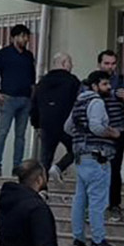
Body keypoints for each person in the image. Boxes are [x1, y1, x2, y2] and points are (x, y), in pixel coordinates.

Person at [65, 70, 122, 246]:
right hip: (97, 157)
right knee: (98, 201)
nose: (109, 87)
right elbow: (96, 127)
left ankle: (78, 239)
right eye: (105, 84)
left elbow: (68, 127)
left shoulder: (79, 101)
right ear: (95, 86)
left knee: (80, 201)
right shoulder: (97, 102)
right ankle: (98, 240)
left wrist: (82, 136)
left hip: (81, 158)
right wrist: (112, 133)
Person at [0, 25, 36, 177]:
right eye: (22, 36)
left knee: (20, 136)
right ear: (13, 38)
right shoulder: (4, 54)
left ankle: (17, 166)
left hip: (25, 99)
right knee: (3, 132)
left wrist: (32, 98)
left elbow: (32, 79)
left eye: (26, 36)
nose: (25, 39)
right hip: (8, 98)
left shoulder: (28, 56)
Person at [96, 50, 124, 221]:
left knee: (114, 169)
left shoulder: (122, 83)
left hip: (117, 132)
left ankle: (114, 205)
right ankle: (95, 206)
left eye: (113, 63)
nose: (110, 67)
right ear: (99, 64)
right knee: (95, 170)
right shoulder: (91, 82)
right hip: (97, 133)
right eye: (106, 63)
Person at [28, 53, 79, 182]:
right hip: (66, 124)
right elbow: (79, 102)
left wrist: (36, 124)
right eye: (70, 63)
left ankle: (41, 186)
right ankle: (59, 167)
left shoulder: (42, 82)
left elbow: (34, 104)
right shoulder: (72, 81)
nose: (72, 66)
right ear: (64, 63)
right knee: (77, 149)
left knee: (45, 158)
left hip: (46, 124)